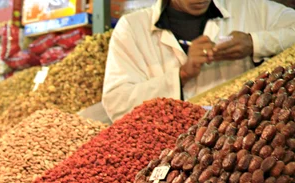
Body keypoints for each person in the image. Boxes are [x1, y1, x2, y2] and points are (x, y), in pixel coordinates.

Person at [102, 0, 295, 121]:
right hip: (171, 153)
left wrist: (255, 42)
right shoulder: (133, 28)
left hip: (246, 139)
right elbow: (117, 104)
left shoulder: (251, 8)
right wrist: (181, 74)